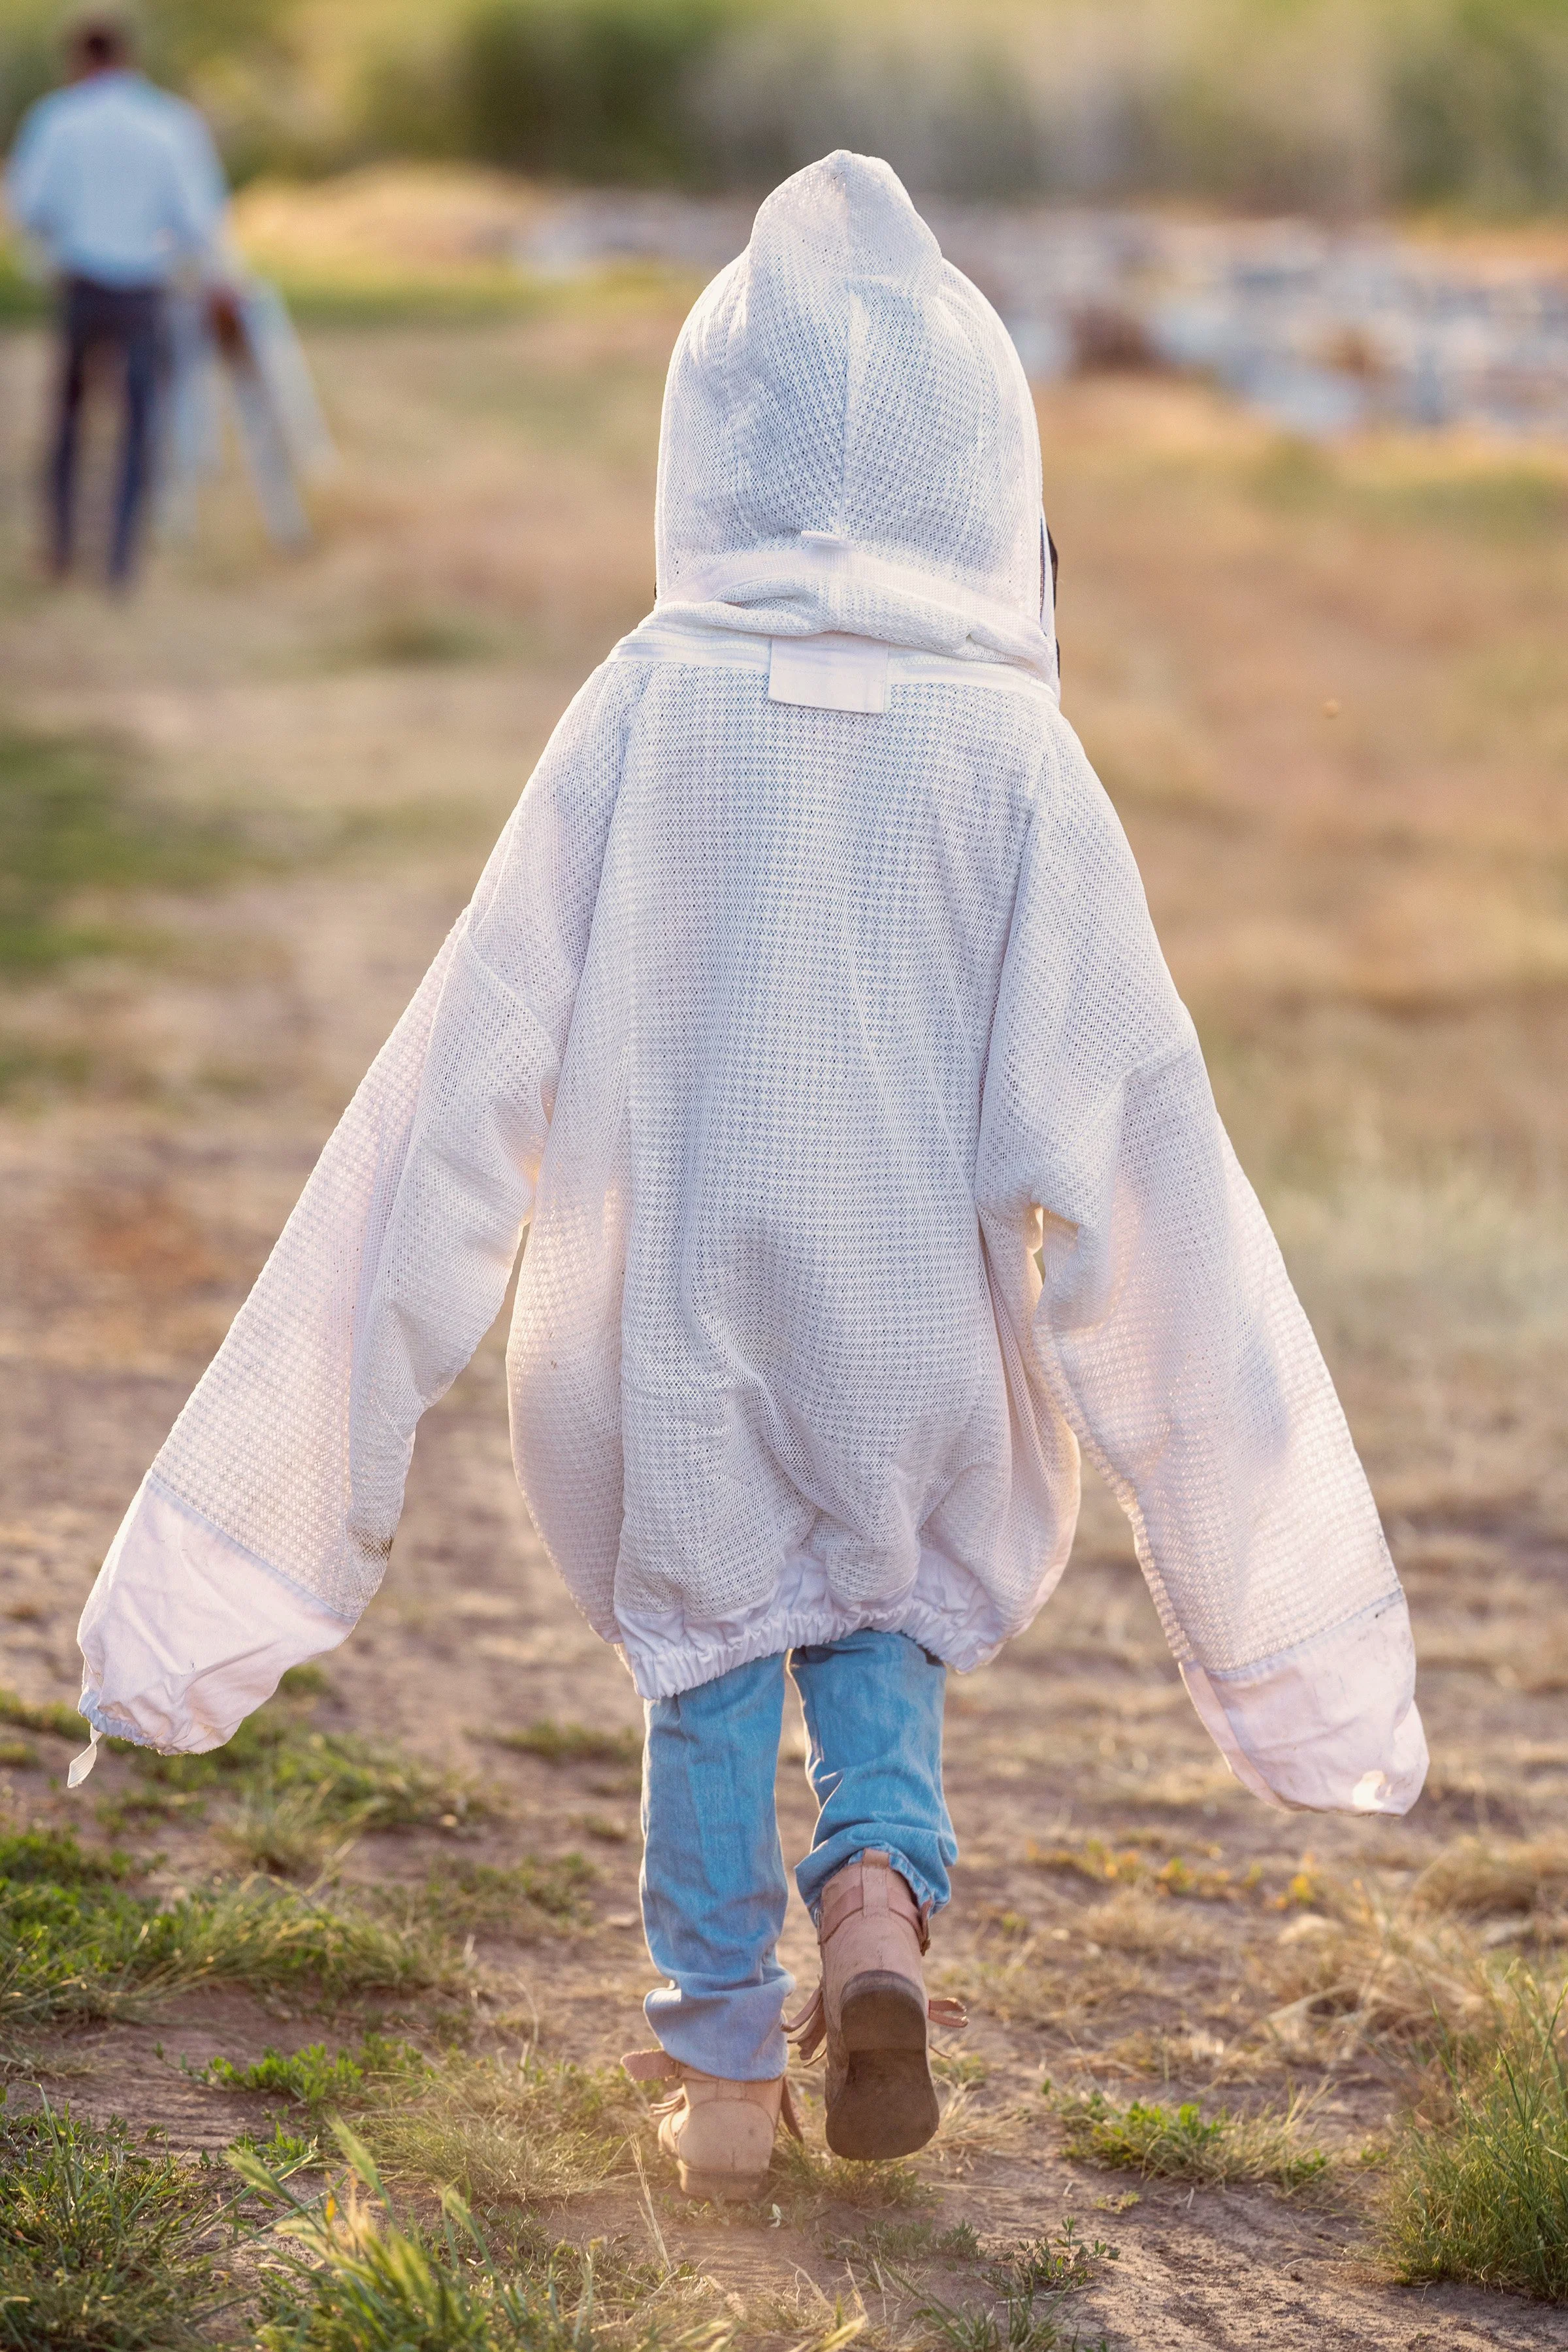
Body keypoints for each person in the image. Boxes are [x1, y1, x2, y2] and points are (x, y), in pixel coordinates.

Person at [69, 152, 1428, 2198]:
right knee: (874, 1616)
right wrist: (1283, 1630)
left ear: (716, 450)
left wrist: (249, 1532)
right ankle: (877, 1907)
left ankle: (719, 2086)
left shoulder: (641, 707)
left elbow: (462, 1075)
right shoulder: (1015, 761)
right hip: (916, 1337)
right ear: (982, 465)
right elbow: (1146, 1146)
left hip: (672, 1328)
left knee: (703, 1658)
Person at [5, 11, 230, 585]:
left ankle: (61, 547)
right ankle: (121, 557)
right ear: (128, 57)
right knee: (138, 423)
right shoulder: (168, 122)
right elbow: (197, 219)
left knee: (70, 421)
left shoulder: (57, 120)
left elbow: (28, 209)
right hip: (142, 291)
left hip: (81, 285)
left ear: (79, 60)